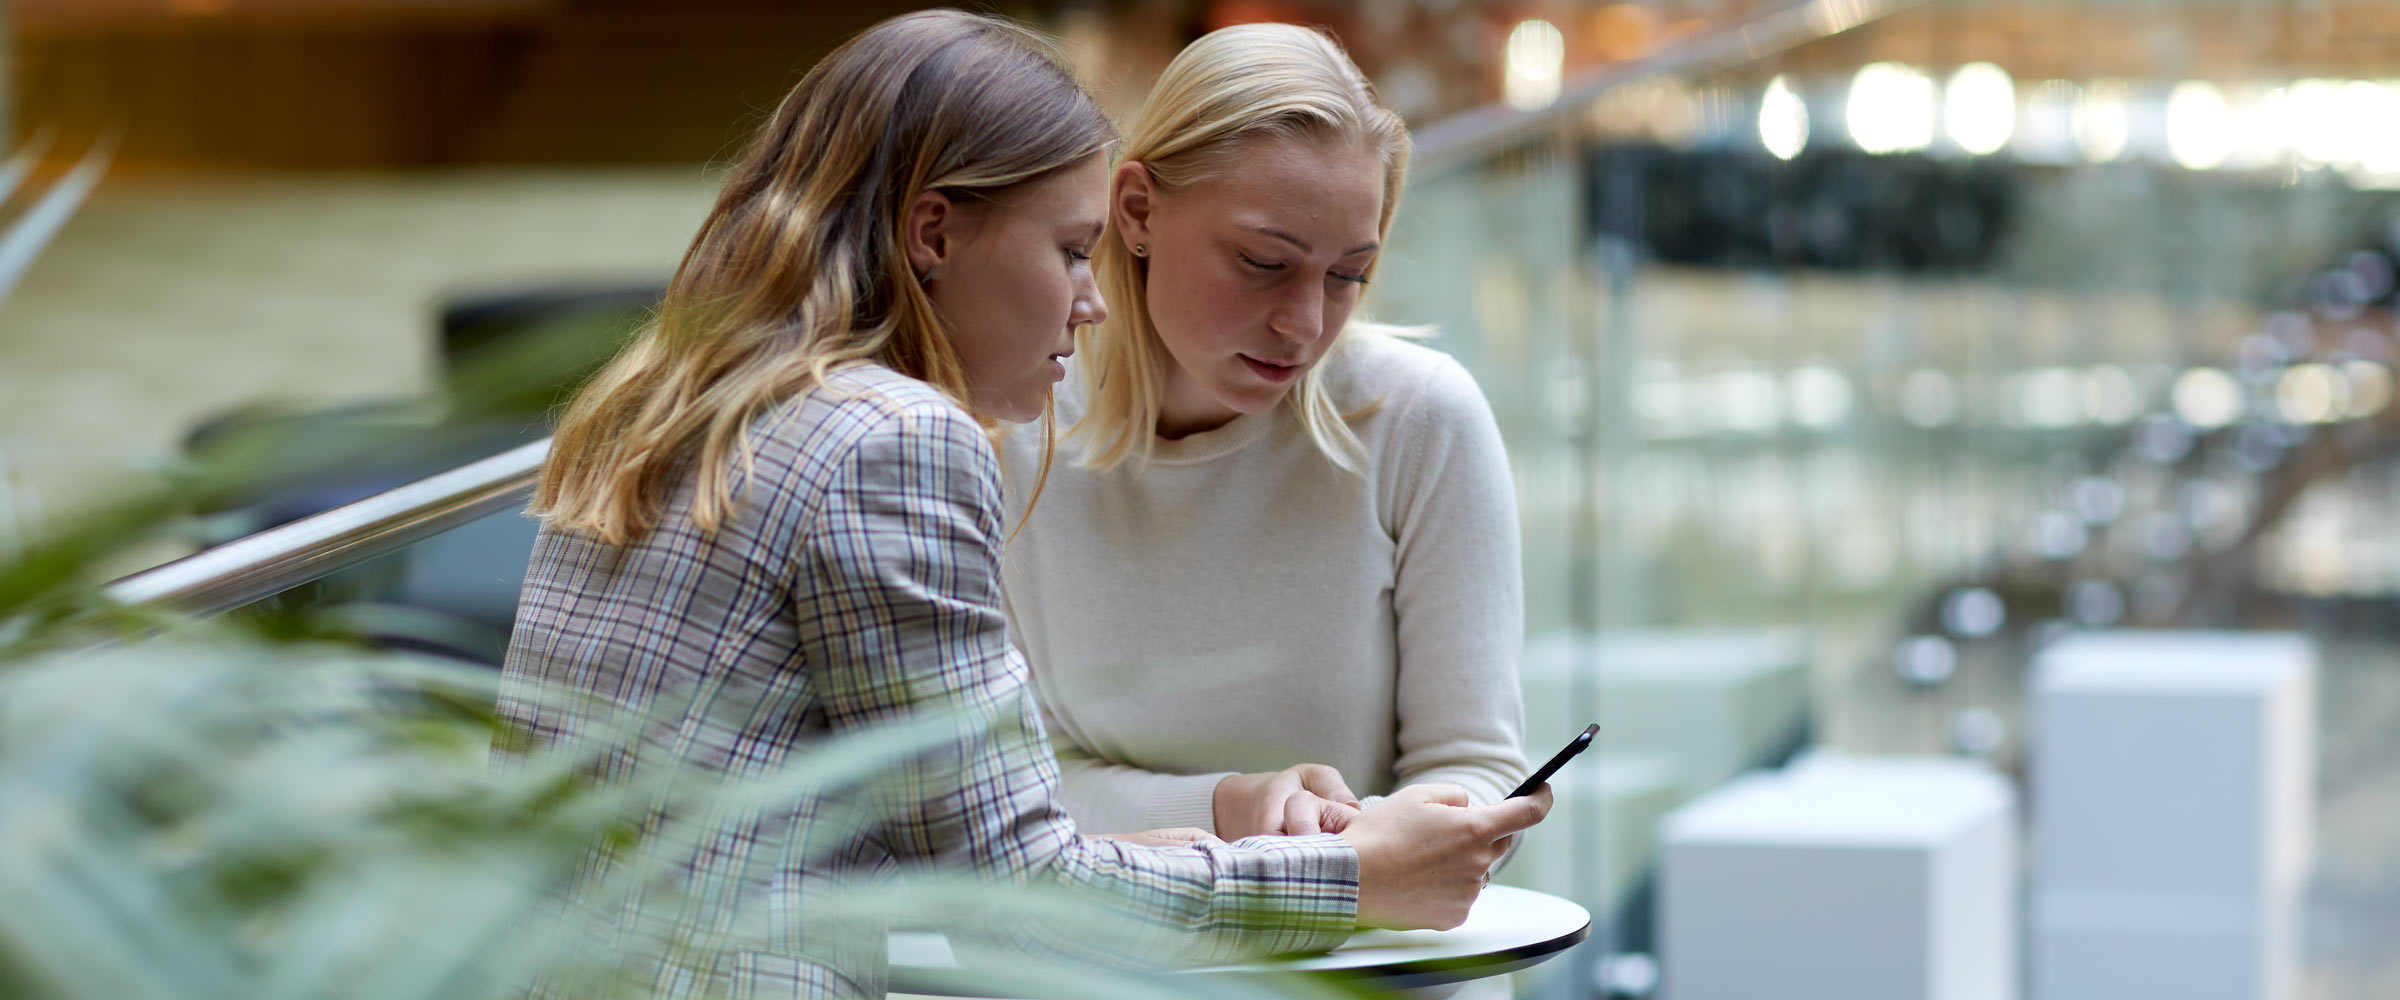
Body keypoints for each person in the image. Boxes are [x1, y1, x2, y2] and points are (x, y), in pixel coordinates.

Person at [495, 11, 1548, 999]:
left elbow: (978, 839)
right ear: (934, 234)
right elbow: (1024, 887)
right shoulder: (899, 440)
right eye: (1068, 251)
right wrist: (1347, 875)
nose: (1089, 302)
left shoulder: (660, 403)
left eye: (1350, 275)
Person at [1000, 24, 1527, 843]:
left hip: (1370, 958)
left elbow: (1476, 767)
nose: (1306, 323)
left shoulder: (1420, 421)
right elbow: (1004, 792)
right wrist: (1236, 809)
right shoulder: (1013, 426)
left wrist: (1356, 848)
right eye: (1262, 262)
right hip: (1116, 965)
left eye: (1349, 274)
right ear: (1136, 211)